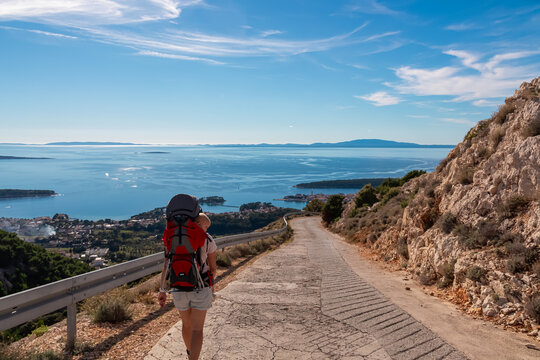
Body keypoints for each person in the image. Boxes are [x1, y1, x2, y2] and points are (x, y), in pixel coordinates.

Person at [158, 213, 217, 360]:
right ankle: (194, 358)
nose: (206, 229)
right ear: (201, 224)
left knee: (186, 324)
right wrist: (212, 282)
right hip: (201, 287)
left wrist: (162, 290)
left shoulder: (173, 238)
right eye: (206, 226)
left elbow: (166, 266)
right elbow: (213, 268)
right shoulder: (208, 239)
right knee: (197, 329)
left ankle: (190, 353)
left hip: (178, 287)